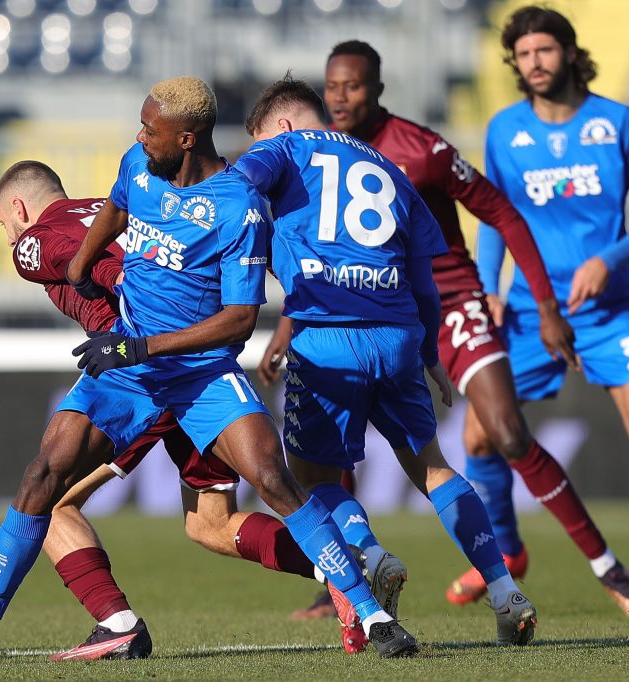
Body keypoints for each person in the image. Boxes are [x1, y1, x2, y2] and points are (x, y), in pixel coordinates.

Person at [0, 76, 417, 665]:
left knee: (274, 480)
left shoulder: (239, 207)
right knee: (43, 477)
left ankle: (377, 616)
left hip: (199, 373)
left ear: (185, 138)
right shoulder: (138, 164)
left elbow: (237, 321)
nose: (138, 135)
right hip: (127, 372)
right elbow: (116, 204)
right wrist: (81, 265)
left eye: (149, 128)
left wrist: (140, 345)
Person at [269, 37, 627, 616]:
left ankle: (606, 569)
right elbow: (318, 261)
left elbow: (502, 211)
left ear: (379, 89)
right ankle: (462, 569)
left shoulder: (420, 149)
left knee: (501, 435)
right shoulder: (319, 160)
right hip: (388, 316)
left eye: (353, 86)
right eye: (331, 87)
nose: (339, 98)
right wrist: (288, 328)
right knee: (378, 453)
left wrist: (525, 295)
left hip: (449, 304)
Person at [0, 159, 364, 659]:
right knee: (210, 523)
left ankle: (116, 622)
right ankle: (342, 570)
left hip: (148, 372)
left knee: (52, 502)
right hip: (196, 359)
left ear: (18, 208)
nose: (9, 236)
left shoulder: (44, 240)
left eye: (4, 225)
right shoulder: (115, 209)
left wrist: (116, 291)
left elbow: (91, 267)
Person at [235, 75, 537, 647]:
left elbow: (236, 185)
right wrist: (429, 352)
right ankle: (504, 591)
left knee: (312, 478)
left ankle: (370, 555)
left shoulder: (283, 148)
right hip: (398, 332)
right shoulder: (387, 167)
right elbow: (425, 277)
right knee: (433, 467)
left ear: (281, 125)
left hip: (326, 337)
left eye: (261, 140)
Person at [472, 6, 629, 616]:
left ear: (569, 51)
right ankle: (508, 552)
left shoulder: (615, 122)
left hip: (610, 310)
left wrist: (610, 261)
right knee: (481, 435)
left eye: (545, 50)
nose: (534, 63)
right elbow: (493, 215)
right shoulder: (505, 130)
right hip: (531, 310)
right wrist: (488, 285)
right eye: (524, 54)